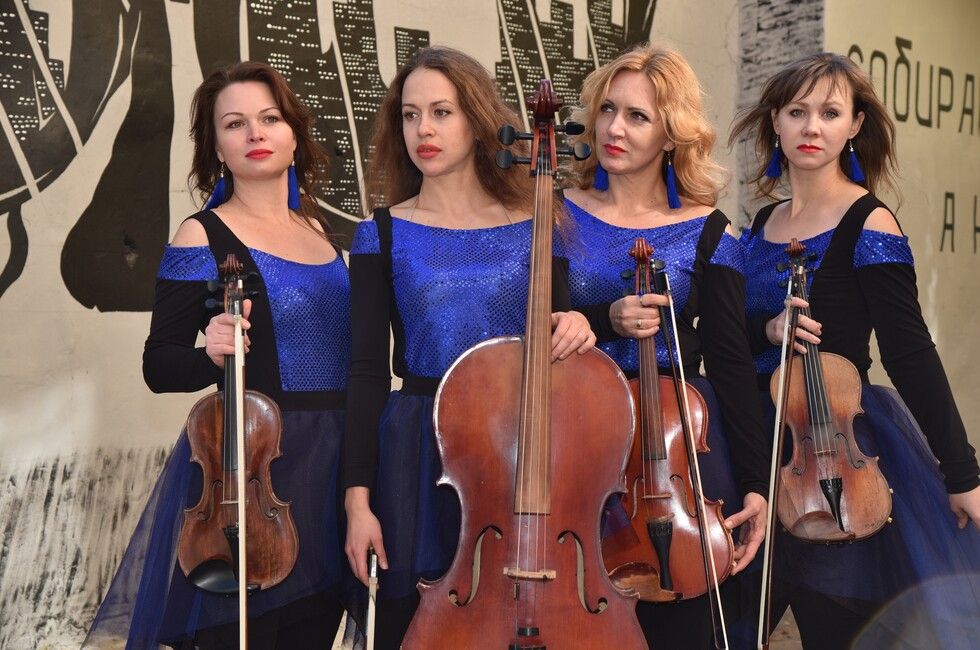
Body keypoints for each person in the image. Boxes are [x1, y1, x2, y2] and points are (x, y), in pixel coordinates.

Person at [85, 61, 352, 648]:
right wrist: (210, 353)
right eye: (235, 124)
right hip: (253, 475)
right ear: (217, 149)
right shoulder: (200, 234)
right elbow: (159, 365)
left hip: (334, 470)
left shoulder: (321, 232)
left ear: (294, 135)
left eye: (270, 118)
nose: (255, 133)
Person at [341, 46, 596, 650]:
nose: (422, 130)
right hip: (416, 448)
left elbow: (561, 335)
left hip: (519, 442)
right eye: (409, 115)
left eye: (441, 112)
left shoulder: (540, 217)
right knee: (416, 621)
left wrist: (578, 326)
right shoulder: (380, 232)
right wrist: (357, 502)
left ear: (478, 119)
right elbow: (367, 373)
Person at [731, 52, 980, 648]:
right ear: (776, 122)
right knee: (730, 626)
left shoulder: (870, 222)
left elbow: (910, 353)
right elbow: (730, 340)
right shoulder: (760, 225)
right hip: (755, 449)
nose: (811, 127)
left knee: (834, 627)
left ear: (854, 125)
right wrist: (768, 333)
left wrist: (962, 471)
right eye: (797, 112)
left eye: (830, 113)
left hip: (832, 453)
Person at [560, 43, 770, 649]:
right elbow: (532, 325)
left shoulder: (711, 230)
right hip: (582, 437)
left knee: (685, 619)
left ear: (671, 134)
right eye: (607, 109)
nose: (613, 129)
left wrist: (757, 484)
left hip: (680, 448)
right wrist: (605, 319)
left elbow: (731, 364)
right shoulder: (556, 215)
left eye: (637, 116)